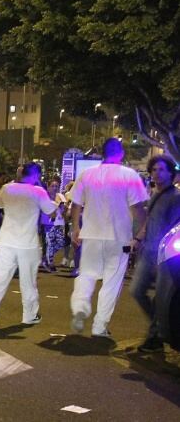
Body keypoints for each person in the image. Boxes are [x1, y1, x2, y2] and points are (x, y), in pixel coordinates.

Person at [70, 138, 148, 339]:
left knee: (86, 274)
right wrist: (142, 232)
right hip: (119, 237)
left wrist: (76, 228)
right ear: (120, 153)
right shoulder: (129, 175)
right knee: (111, 283)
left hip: (91, 235)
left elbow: (75, 204)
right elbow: (138, 209)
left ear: (102, 152)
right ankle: (99, 326)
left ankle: (80, 307)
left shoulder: (87, 174)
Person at [0, 162, 58, 327]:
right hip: (28, 243)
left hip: (7, 240)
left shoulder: (7, 188)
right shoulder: (38, 191)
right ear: (36, 175)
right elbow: (50, 211)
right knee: (28, 281)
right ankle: (29, 315)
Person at [129, 155, 180, 352]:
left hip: (165, 257)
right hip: (148, 251)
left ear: (170, 173)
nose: (157, 173)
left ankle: (156, 336)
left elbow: (174, 227)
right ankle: (160, 330)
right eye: (154, 170)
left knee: (161, 297)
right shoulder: (154, 195)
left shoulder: (175, 197)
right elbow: (149, 221)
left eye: (161, 169)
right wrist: (138, 239)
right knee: (137, 290)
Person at [40, 176, 66, 273]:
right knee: (50, 244)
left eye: (56, 186)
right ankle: (49, 262)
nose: (55, 188)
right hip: (48, 223)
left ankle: (45, 257)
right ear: (48, 187)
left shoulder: (60, 196)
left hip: (59, 223)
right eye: (52, 186)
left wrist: (63, 208)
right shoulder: (44, 197)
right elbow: (46, 211)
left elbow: (63, 211)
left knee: (61, 243)